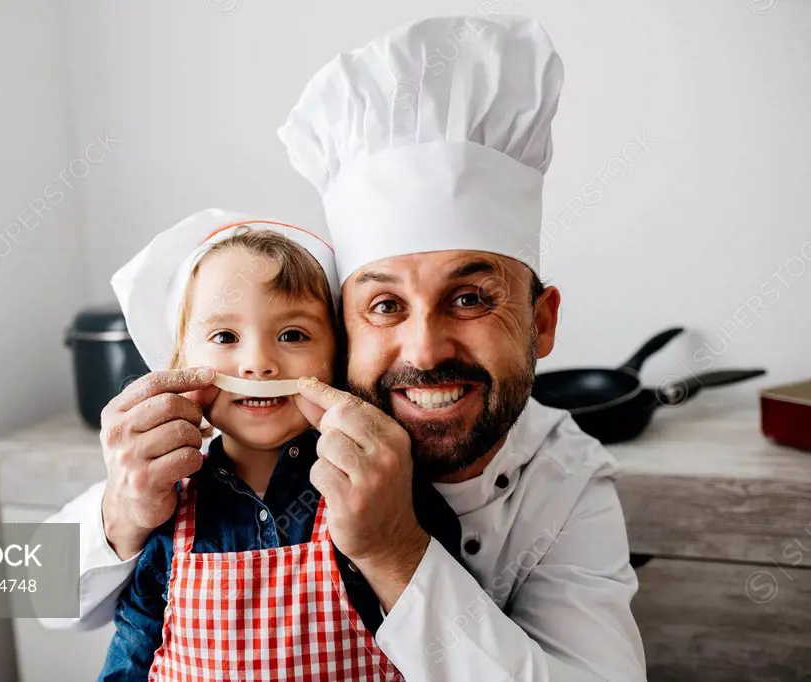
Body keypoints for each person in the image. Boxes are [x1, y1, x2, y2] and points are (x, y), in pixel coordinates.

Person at [45, 14, 647, 682]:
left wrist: (395, 551)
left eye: (471, 298)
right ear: (347, 332)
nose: (423, 348)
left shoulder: (566, 484)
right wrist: (118, 512)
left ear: (540, 322)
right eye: (384, 306)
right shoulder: (188, 473)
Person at [96, 209, 462, 680]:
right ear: (179, 366)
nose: (258, 363)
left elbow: (444, 635)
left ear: (338, 360)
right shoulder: (167, 506)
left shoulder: (379, 489)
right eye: (225, 335)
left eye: (293, 335)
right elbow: (131, 647)